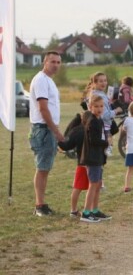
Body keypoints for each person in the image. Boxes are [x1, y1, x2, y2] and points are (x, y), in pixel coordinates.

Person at [29, 51, 65, 216]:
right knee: (42, 168)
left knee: (45, 168)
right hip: (43, 129)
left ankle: (42, 204)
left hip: (47, 129)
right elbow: (43, 108)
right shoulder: (41, 80)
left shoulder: (48, 80)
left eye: (58, 62)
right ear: (45, 62)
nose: (56, 65)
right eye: (53, 62)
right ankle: (39, 206)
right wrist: (55, 131)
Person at [80, 95, 113, 223]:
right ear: (90, 107)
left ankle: (95, 210)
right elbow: (93, 140)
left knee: (98, 184)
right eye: (96, 106)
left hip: (98, 157)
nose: (99, 109)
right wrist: (106, 143)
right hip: (92, 157)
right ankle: (86, 212)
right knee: (93, 184)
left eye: (101, 106)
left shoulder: (99, 120)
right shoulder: (92, 121)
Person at [57, 111, 93, 217]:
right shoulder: (90, 130)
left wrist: (59, 141)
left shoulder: (78, 130)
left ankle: (74, 210)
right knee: (92, 188)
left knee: (78, 188)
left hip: (82, 164)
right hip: (92, 163)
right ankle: (90, 210)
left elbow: (67, 145)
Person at [85, 72, 123, 157]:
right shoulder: (98, 95)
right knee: (102, 154)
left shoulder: (99, 94)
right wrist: (116, 111)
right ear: (95, 83)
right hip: (103, 125)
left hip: (103, 125)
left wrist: (110, 103)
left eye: (105, 80)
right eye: (101, 81)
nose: (104, 83)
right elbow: (104, 115)